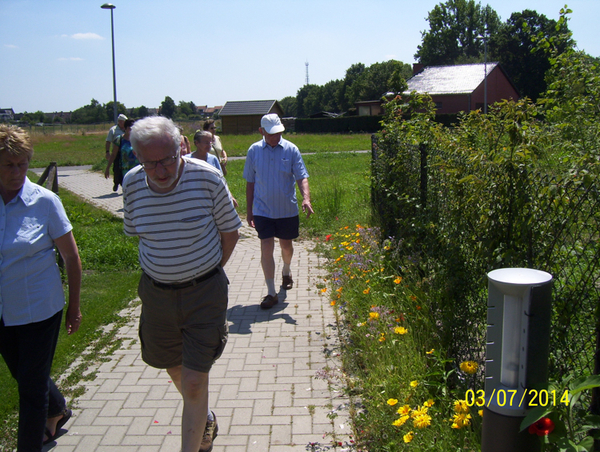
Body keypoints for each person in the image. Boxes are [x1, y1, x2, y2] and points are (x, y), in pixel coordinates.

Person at [122, 116, 242, 452]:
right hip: (157, 295)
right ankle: (205, 419)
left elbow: (230, 231)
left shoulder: (206, 178)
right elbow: (138, 233)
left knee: (192, 381)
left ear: (181, 148)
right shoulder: (132, 185)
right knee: (175, 369)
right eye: (150, 163)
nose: (161, 171)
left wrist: (210, 269)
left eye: (168, 160)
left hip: (204, 292)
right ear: (138, 158)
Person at [0, 125, 82, 451]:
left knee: (30, 390)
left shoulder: (45, 202)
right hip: (4, 314)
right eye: (9, 165)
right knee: (25, 376)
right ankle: (58, 408)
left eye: (23, 164)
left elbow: (72, 258)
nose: (18, 172)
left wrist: (74, 307)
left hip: (39, 310)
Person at [243, 113, 314, 309]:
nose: (275, 137)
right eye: (271, 134)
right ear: (261, 131)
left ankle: (286, 270)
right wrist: (249, 211)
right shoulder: (254, 151)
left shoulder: (291, 149)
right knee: (266, 246)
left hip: (286, 209)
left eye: (278, 133)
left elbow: (302, 176)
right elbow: (250, 182)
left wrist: (306, 198)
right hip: (262, 210)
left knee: (286, 246)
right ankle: (271, 292)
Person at [104, 119, 138, 186]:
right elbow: (113, 155)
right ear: (125, 128)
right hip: (125, 170)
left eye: (133, 128)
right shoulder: (119, 140)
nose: (131, 130)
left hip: (137, 169)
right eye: (129, 128)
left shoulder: (137, 139)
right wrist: (108, 168)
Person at [105, 114, 128, 191]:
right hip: (117, 153)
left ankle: (123, 184)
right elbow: (108, 141)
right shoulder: (113, 130)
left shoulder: (127, 130)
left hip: (125, 152)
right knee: (116, 169)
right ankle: (116, 183)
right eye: (123, 122)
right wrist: (107, 152)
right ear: (120, 122)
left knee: (125, 168)